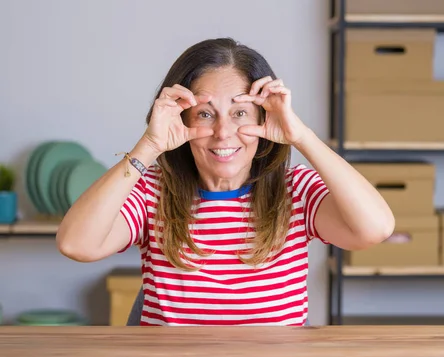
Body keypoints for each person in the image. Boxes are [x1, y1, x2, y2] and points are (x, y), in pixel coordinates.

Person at [57, 38, 395, 326]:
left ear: (266, 118)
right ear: (181, 119)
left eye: (240, 113)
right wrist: (149, 146)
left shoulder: (295, 190)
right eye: (205, 114)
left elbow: (375, 229)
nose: (223, 133)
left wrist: (302, 136)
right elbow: (76, 245)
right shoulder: (152, 192)